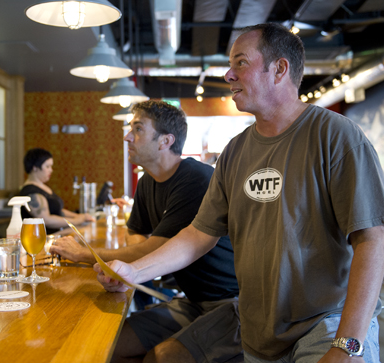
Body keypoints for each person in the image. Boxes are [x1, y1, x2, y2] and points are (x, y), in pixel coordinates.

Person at [95, 23, 384, 363]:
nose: (228, 74)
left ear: (279, 69)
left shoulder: (336, 135)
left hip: (324, 323)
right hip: (257, 324)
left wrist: (348, 344)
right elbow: (198, 234)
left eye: (240, 62)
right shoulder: (236, 151)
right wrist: (135, 272)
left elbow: (372, 243)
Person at [50, 100, 241, 363]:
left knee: (160, 357)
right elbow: (136, 233)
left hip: (232, 303)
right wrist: (129, 264)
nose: (128, 136)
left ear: (165, 141)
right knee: (106, 344)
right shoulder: (148, 181)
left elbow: (156, 247)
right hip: (193, 301)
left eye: (138, 129)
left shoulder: (196, 179)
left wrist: (84, 254)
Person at [18, 148, 94, 234]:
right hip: (43, 238)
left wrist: (80, 217)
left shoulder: (43, 187)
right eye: (47, 166)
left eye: (51, 166)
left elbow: (59, 211)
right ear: (35, 167)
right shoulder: (30, 192)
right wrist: (76, 221)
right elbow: (46, 220)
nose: (51, 170)